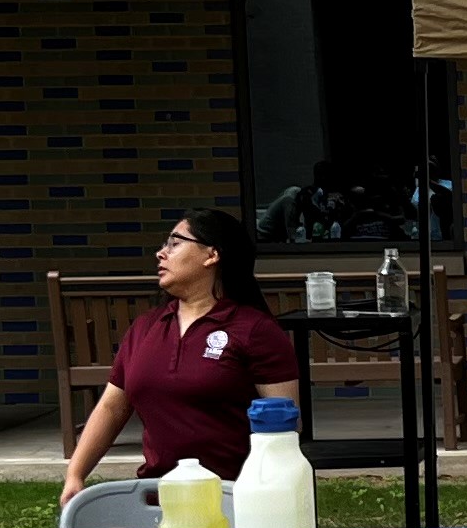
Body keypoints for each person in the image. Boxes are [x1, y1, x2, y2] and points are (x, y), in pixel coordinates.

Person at [59, 211, 299, 496]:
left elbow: (286, 425)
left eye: (175, 243)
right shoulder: (146, 327)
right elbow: (112, 407)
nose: (161, 253)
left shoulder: (255, 330)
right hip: (158, 494)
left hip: (236, 495)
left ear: (211, 255)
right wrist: (76, 474)